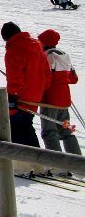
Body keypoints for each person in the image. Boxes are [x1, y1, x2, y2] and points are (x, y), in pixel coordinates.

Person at [1, 21, 50, 158]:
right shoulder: (38, 47)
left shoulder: (14, 50)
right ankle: (38, 161)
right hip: (35, 95)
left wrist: (12, 96)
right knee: (27, 125)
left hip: (20, 96)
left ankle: (22, 162)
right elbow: (46, 72)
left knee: (16, 127)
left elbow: (15, 77)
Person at [37, 29, 82, 157]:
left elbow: (46, 79)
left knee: (49, 132)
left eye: (40, 41)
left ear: (45, 42)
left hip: (50, 101)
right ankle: (77, 161)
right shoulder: (64, 55)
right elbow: (73, 78)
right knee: (65, 130)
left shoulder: (47, 56)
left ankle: (57, 164)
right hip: (64, 100)